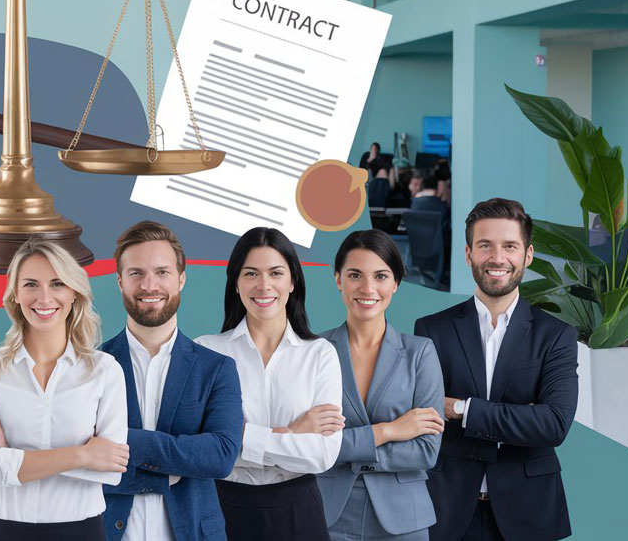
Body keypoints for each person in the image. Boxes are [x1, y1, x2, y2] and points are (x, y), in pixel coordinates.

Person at [414, 199, 577, 541]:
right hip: (449, 508)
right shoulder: (432, 329)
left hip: (529, 510)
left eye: (510, 246)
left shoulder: (556, 335)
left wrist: (461, 409)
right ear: (468, 253)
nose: (497, 258)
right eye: (485, 245)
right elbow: (425, 417)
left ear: (527, 255)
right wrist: (521, 417)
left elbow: (553, 425)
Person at [0, 239, 129, 541]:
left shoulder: (105, 371)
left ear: (73, 293)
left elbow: (110, 468)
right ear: (15, 293)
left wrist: (11, 456)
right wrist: (82, 455)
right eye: (30, 284)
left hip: (81, 531)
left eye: (57, 283)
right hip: (3, 530)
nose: (44, 297)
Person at [195, 226, 342, 541]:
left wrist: (237, 437)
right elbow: (201, 448)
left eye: (276, 273)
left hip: (297, 508)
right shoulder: (206, 351)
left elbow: (322, 455)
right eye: (251, 274)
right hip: (221, 505)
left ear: (292, 282)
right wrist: (290, 433)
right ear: (236, 283)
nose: (264, 286)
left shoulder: (319, 354)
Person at [100, 221, 243, 541]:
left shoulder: (217, 369)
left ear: (181, 279)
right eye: (136, 273)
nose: (149, 285)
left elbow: (220, 456)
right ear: (119, 281)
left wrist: (121, 441)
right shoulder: (91, 367)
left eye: (162, 272)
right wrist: (173, 471)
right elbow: (81, 465)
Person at [316, 229, 444, 540]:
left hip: (403, 519)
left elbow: (426, 450)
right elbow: (311, 444)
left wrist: (349, 450)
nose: (368, 288)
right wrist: (388, 431)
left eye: (381, 276)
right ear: (338, 279)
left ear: (396, 283)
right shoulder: (314, 351)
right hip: (328, 515)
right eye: (355, 275)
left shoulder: (420, 353)